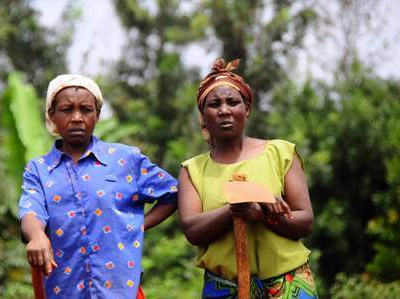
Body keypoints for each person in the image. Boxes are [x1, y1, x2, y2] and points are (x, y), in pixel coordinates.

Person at [18, 74, 178, 299]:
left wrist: (138, 225)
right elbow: (30, 211)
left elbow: (171, 192)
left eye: (85, 110)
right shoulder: (39, 169)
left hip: (120, 290)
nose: (76, 118)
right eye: (66, 109)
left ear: (97, 115)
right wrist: (37, 236)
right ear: (51, 115)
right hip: (64, 289)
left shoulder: (125, 159)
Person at [178, 58, 318, 299]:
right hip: (224, 288)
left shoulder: (281, 154)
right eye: (214, 104)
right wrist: (235, 209)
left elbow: (305, 223)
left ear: (247, 109)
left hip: (289, 285)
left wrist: (264, 213)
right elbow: (192, 230)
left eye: (233, 102)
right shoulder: (193, 170)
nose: (224, 110)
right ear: (203, 116)